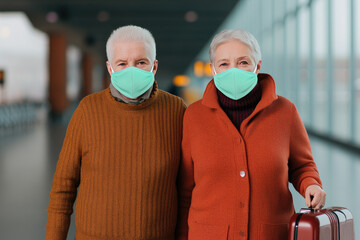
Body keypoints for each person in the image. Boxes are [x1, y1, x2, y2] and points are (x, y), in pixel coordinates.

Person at [176, 29, 326, 240]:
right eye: (224, 64)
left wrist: (311, 183)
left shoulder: (285, 111)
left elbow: (302, 166)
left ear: (258, 66)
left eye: (243, 62)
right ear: (213, 69)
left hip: (272, 234)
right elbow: (185, 191)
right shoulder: (193, 116)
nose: (234, 70)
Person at [46, 25, 186, 240]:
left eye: (141, 62)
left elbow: (186, 191)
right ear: (110, 68)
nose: (132, 70)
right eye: (122, 63)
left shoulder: (177, 111)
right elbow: (63, 189)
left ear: (154, 66)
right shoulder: (87, 110)